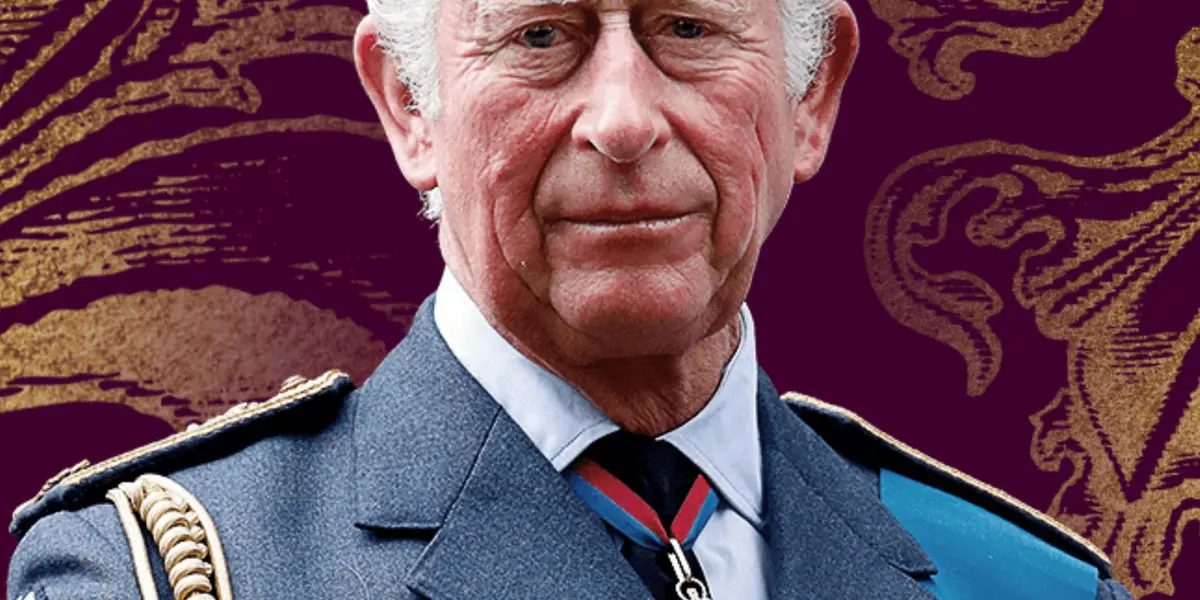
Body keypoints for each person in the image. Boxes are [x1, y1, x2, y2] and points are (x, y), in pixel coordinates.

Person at [7, 0, 1134, 598]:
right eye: (542, 35)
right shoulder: (168, 575)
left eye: (688, 28)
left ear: (812, 96)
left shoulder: (1024, 584)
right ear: (409, 107)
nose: (624, 119)